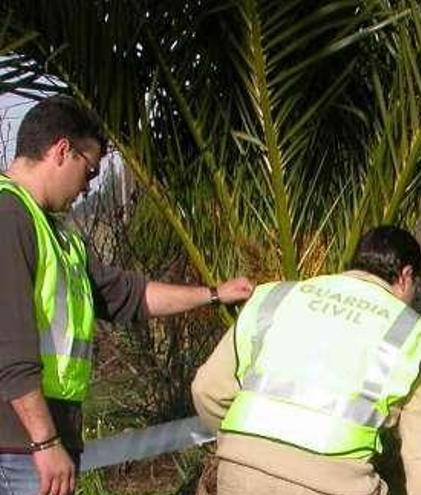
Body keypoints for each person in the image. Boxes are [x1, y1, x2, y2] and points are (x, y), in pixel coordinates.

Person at [0, 95, 254, 495]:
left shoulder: (58, 235)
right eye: (90, 171)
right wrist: (45, 442)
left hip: (40, 440)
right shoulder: (9, 216)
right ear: (62, 150)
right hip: (19, 447)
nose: (87, 188)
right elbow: (10, 347)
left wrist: (214, 294)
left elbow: (127, 295)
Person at [192, 225, 421, 495]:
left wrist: (240, 446)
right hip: (332, 486)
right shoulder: (410, 334)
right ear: (406, 275)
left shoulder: (275, 298)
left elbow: (206, 390)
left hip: (239, 476)